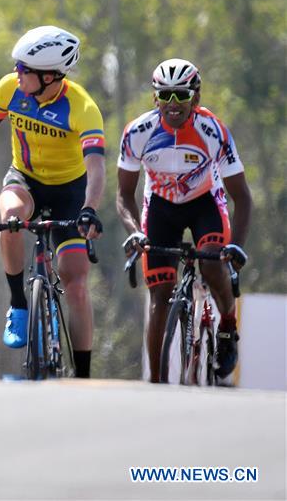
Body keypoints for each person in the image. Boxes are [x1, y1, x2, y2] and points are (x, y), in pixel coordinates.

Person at [0, 26, 104, 379]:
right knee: (10, 216)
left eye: (24, 69)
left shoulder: (82, 107)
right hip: (25, 179)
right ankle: (18, 304)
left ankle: (83, 375)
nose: (16, 73)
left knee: (75, 283)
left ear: (49, 76)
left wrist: (89, 207)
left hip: (70, 192)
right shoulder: (9, 89)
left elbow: (96, 167)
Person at [116, 58, 252, 382]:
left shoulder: (213, 131)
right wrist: (135, 233)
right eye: (165, 95)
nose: (173, 103)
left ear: (196, 96)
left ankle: (228, 327)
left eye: (181, 94)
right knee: (160, 292)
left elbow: (243, 198)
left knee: (213, 265)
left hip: (204, 203)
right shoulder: (138, 132)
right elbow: (124, 195)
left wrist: (236, 247)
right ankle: (157, 382)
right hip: (161, 207)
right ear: (155, 98)